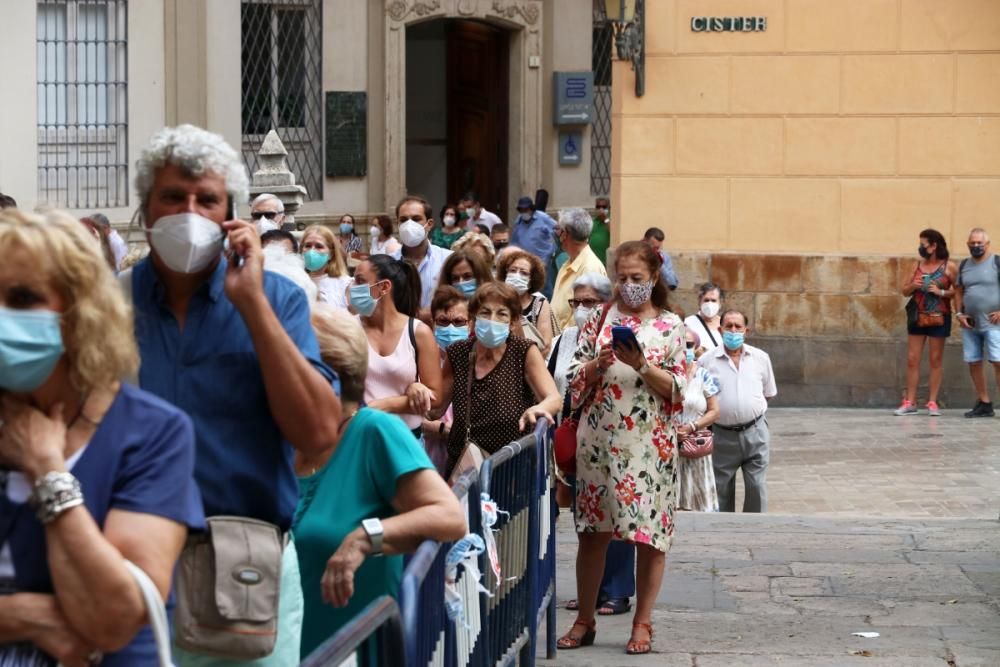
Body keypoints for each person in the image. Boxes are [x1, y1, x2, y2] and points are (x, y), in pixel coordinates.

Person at [128, 124, 342, 666]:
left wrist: (252, 307)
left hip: (246, 573)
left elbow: (317, 434)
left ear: (232, 216)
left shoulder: (277, 299)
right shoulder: (108, 303)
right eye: (173, 197)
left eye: (208, 200)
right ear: (146, 210)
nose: (189, 212)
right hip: (128, 567)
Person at [0, 208, 203, 666]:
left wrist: (47, 470)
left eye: (23, 298)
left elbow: (114, 619)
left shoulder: (152, 433)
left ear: (80, 314)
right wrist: (26, 616)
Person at [294, 304, 465, 657]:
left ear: (324, 373)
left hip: (355, 650)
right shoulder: (281, 440)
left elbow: (449, 517)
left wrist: (363, 538)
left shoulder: (372, 431)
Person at [560, 240, 687, 655]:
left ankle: (643, 623)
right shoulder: (598, 319)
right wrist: (599, 363)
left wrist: (642, 365)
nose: (629, 285)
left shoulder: (672, 326)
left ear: (653, 279)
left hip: (650, 448)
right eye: (623, 278)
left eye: (637, 278)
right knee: (592, 535)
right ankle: (585, 619)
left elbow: (681, 390)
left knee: (649, 537)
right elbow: (573, 380)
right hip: (598, 444)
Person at [546, 273, 636, 617]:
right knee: (588, 520)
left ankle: (616, 590)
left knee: (617, 515)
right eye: (576, 302)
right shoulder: (564, 339)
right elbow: (559, 380)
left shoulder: (618, 337)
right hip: (576, 437)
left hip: (614, 435)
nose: (582, 309)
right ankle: (592, 591)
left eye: (589, 302)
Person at [432, 282, 561, 476]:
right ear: (473, 318)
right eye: (485, 313)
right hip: (466, 468)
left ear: (512, 321)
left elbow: (554, 399)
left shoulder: (523, 351)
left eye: (501, 314)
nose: (492, 320)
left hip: (512, 470)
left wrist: (538, 408)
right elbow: (435, 408)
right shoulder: (458, 353)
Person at [353, 255, 443, 442]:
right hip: (361, 438)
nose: (352, 288)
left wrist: (384, 405)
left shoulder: (418, 332)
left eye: (360, 281)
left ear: (384, 287)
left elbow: (435, 397)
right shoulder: (348, 329)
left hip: (407, 440)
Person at [698, 310, 777, 514]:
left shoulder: (761, 358)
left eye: (738, 326)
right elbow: (700, 397)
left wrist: (747, 410)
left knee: (757, 486)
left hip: (755, 431)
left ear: (746, 330)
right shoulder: (707, 361)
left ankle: (756, 529)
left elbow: (768, 393)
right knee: (721, 488)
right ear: (720, 329)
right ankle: (724, 532)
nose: (733, 330)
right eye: (729, 326)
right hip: (721, 434)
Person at [895, 229, 958, 416]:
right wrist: (915, 284)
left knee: (935, 359)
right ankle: (910, 402)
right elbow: (904, 291)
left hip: (940, 316)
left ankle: (932, 401)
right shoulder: (916, 265)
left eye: (923, 244)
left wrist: (942, 293)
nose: (920, 248)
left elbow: (958, 291)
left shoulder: (949, 267)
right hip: (917, 315)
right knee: (912, 359)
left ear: (933, 246)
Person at [422, 285, 471, 474]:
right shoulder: (418, 360)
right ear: (433, 323)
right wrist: (442, 429)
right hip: (428, 457)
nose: (450, 328)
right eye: (443, 321)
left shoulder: (477, 361)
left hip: (463, 459)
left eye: (459, 322)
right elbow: (411, 417)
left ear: (471, 323)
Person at [954, 228, 1000, 418]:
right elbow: (958, 290)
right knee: (974, 362)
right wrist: (958, 313)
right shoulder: (964, 265)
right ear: (968, 244)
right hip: (970, 323)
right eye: (972, 243)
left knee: (998, 362)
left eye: (979, 243)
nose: (976, 246)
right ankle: (984, 403)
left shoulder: (997, 262)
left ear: (987, 244)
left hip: (994, 323)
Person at [675, 330, 721, 512]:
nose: (685, 350)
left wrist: (691, 427)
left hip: (697, 445)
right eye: (681, 345)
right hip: (671, 446)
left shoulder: (703, 375)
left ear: (696, 348)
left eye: (689, 345)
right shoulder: (665, 374)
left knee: (701, 503)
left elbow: (714, 411)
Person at [391, 194, 452, 312]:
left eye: (416, 219)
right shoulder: (389, 263)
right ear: (398, 224)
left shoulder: (447, 259)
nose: (409, 225)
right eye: (403, 220)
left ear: (429, 224)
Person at [552, 208, 608, 332]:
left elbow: (586, 315)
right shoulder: (568, 263)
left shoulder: (590, 268)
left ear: (565, 234)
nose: (556, 233)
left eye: (558, 229)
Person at [496, 248, 558, 354]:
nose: (517, 275)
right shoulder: (495, 301)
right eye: (513, 270)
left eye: (524, 273)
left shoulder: (539, 304)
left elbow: (546, 345)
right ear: (505, 273)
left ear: (531, 281)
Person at [510, 197, 557, 288]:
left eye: (526, 209)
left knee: (546, 288)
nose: (524, 212)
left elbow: (557, 231)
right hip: (526, 262)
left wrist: (550, 253)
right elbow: (514, 241)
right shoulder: (518, 220)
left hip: (544, 262)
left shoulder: (543, 218)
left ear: (531, 209)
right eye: (521, 210)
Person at [301, 224, 352, 309]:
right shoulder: (295, 281)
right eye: (308, 246)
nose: (311, 251)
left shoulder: (345, 284)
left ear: (331, 254)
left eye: (319, 246)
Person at [684, 282, 724, 351]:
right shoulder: (688, 323)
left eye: (713, 300)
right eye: (706, 300)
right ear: (699, 302)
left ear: (720, 303)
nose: (709, 304)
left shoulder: (726, 324)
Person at [589, 196, 611, 267]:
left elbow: (613, 233)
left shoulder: (611, 220)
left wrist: (605, 219)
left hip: (606, 262)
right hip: (594, 262)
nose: (601, 209)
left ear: (609, 208)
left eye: (604, 207)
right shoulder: (593, 222)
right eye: (598, 207)